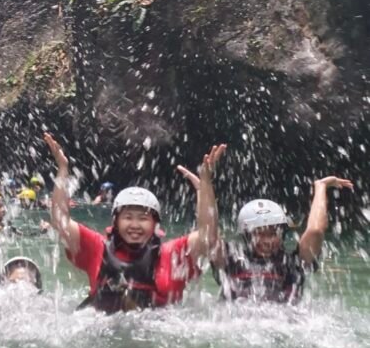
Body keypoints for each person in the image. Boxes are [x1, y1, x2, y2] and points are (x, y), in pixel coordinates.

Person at [43, 132, 225, 313]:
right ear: (115, 221)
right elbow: (60, 222)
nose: (135, 225)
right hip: (105, 331)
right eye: (128, 217)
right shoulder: (97, 248)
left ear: (155, 224)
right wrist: (62, 169)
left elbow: (208, 235)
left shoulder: (173, 255)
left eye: (143, 218)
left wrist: (205, 188)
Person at [210, 176, 353, 303]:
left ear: (282, 234)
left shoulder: (293, 264)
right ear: (246, 236)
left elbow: (315, 231)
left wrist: (321, 187)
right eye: (259, 234)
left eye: (273, 234)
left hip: (283, 325)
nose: (268, 241)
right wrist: (204, 185)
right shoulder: (231, 259)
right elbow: (208, 235)